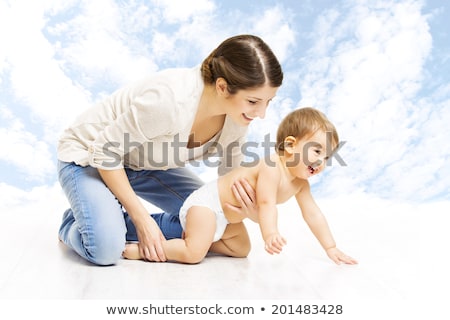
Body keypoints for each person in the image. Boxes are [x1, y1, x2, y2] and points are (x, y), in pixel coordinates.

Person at [57, 34, 283, 266]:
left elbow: (229, 183)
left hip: (146, 165)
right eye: (253, 102)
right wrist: (143, 221)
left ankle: (102, 221)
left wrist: (252, 212)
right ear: (223, 87)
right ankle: (75, 224)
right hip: (90, 158)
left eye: (268, 102)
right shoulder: (170, 100)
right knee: (105, 250)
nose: (261, 114)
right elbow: (105, 151)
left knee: (212, 220)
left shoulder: (237, 119)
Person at [122, 107, 358, 265]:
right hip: (206, 207)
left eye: (327, 157)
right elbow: (265, 203)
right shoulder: (272, 166)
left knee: (241, 249)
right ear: (290, 145)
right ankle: (145, 251)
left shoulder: (301, 184)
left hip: (226, 219)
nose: (320, 161)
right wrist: (270, 233)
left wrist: (331, 247)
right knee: (193, 254)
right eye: (317, 150)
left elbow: (313, 213)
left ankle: (199, 238)